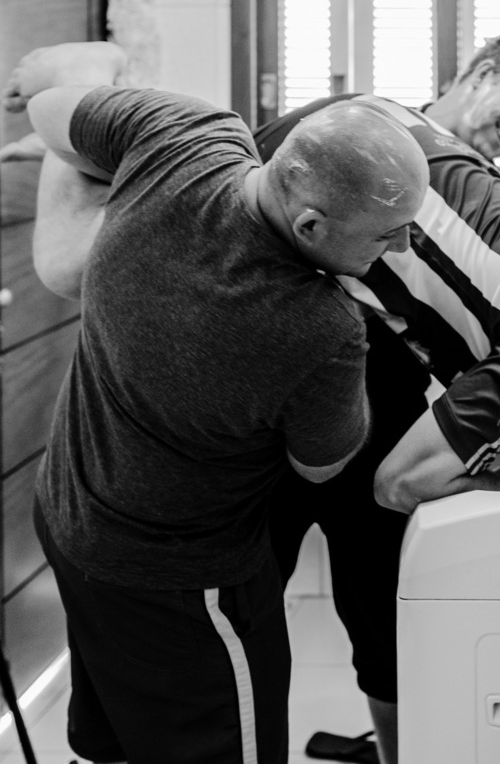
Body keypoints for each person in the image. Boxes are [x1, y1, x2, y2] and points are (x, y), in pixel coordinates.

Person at [8, 35, 500, 764]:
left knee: (366, 594)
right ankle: (84, 90)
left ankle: (81, 131)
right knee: (64, 268)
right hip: (321, 268)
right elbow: (400, 482)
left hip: (357, 228)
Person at [5, 42, 429, 763]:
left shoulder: (186, 134)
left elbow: (50, 111)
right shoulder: (322, 329)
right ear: (311, 229)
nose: (405, 244)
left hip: (72, 522)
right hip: (180, 584)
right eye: (389, 234)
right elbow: (322, 466)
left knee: (109, 744)